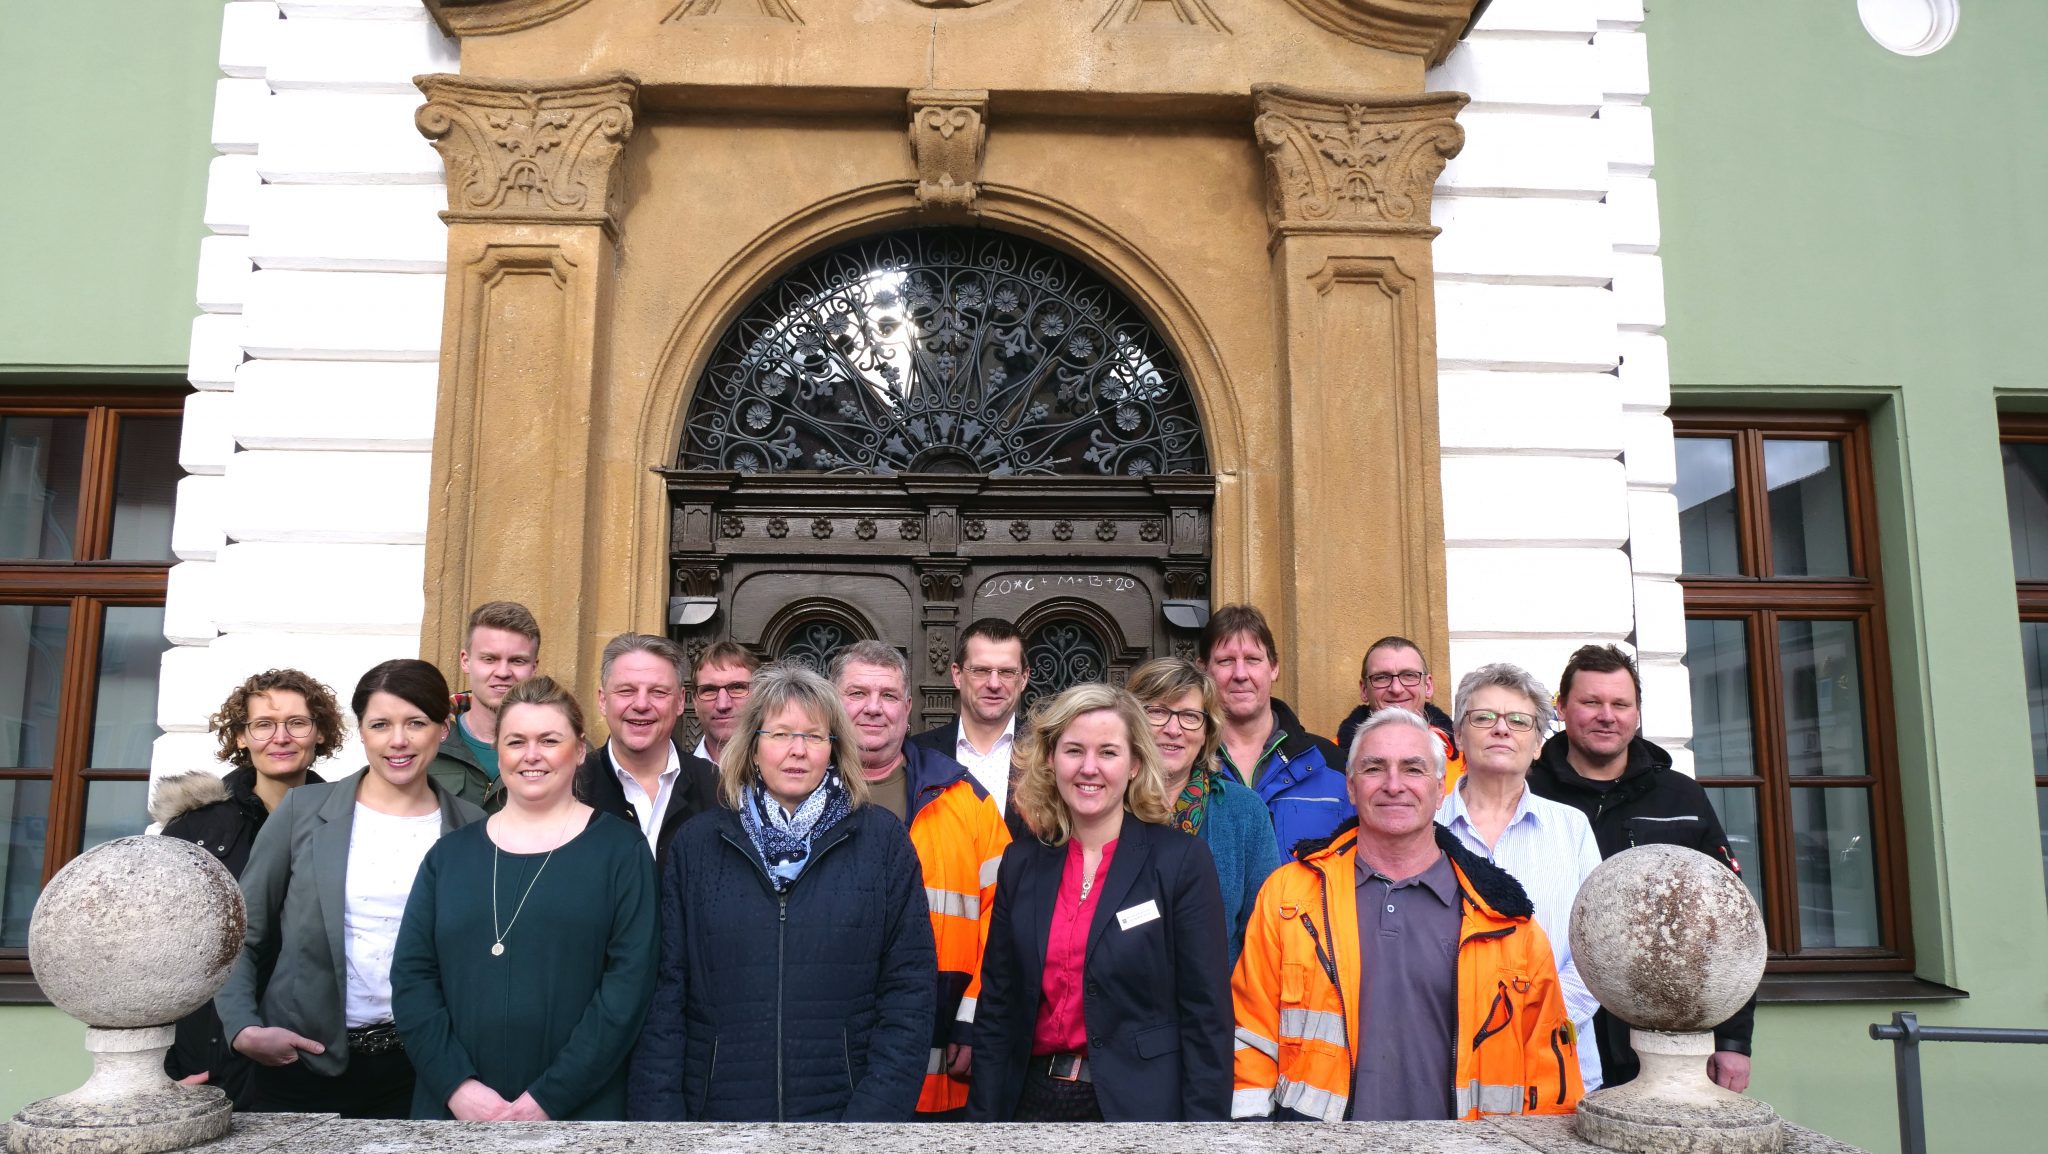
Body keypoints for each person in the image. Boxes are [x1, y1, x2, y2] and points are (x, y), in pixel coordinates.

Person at [1232, 708, 1582, 1122]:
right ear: (1350, 786)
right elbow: (1251, 1038)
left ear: (1439, 789)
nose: (1393, 785)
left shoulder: (1505, 923)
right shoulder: (1289, 897)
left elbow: (1551, 1079)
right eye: (1374, 768)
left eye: (1413, 769)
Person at [628, 664, 936, 1122]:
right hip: (717, 1119)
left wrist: (871, 1124)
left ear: (833, 750)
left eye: (814, 737)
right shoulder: (698, 844)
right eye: (780, 734)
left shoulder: (882, 842)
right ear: (752, 748)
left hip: (845, 1117)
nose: (797, 751)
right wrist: (665, 1125)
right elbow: (666, 993)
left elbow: (909, 991)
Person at [215, 659, 485, 1117]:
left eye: (415, 723)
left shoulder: (471, 827)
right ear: (361, 731)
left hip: (421, 1069)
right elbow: (241, 931)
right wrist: (243, 1028)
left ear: (443, 728)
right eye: (381, 724)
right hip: (302, 1065)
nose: (398, 741)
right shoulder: (304, 811)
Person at [392, 677, 658, 1121]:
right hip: (453, 1110)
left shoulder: (622, 851)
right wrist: (457, 1086)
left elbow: (627, 988)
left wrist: (549, 1098)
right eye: (516, 741)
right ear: (499, 752)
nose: (531, 755)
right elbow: (412, 979)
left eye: (549, 740)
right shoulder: (449, 856)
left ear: (577, 751)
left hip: (578, 1109)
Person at [967, 683, 1232, 1123]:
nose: (1089, 768)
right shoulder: (1021, 863)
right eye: (1074, 750)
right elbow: (998, 1008)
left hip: (1141, 1111)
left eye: (1108, 752)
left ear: (1133, 765)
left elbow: (1207, 1017)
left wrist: (1202, 1137)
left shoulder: (1179, 862)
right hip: (1029, 1104)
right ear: (1051, 760)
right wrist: (983, 1127)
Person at [1527, 643, 1756, 1093]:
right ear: (1561, 708)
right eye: (1591, 702)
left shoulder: (1681, 797)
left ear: (1636, 712)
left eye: (1620, 704)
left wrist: (1733, 1039)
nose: (1606, 715)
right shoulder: (1528, 793)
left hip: (1665, 1038)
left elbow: (1729, 924)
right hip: (1550, 1028)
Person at [830, 641, 1011, 1120]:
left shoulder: (964, 797)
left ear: (908, 710)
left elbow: (1006, 919)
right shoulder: (797, 792)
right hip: (825, 1069)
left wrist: (975, 1019)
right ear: (830, 702)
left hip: (940, 1074)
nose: (874, 708)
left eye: (889, 696)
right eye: (857, 693)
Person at [154, 668, 345, 1105]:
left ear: (319, 734)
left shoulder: (346, 823)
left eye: (297, 723)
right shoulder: (195, 828)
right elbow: (155, 951)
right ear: (241, 737)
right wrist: (158, 1072)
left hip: (309, 1054)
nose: (281, 737)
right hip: (208, 1053)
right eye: (263, 725)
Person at [1433, 663, 1603, 1091]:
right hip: (1445, 1061)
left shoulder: (1572, 828)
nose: (1501, 730)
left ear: (1539, 744)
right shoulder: (1424, 827)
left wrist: (1536, 1016)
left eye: (1519, 721)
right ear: (1458, 736)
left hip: (1557, 1062)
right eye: (1484, 717)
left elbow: (1600, 945)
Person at [1124, 657, 1279, 961]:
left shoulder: (1244, 812)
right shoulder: (1105, 807)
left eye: (1190, 716)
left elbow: (1263, 935)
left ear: (1208, 731)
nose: (1173, 728)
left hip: (1219, 1000)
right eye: (1157, 712)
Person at [1198, 604, 1346, 857]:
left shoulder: (1329, 761)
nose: (1240, 674)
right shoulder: (1185, 764)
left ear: (1274, 668)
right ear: (1203, 669)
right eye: (1226, 661)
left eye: (1253, 660)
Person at [575, 633, 720, 870]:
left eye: (658, 692)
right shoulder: (573, 786)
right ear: (602, 700)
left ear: (681, 701)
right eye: (626, 691)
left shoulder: (719, 788)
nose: (641, 704)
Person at [429, 601, 542, 812]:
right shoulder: (427, 742)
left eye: (517, 661)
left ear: (534, 667)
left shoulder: (563, 751)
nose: (502, 672)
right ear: (465, 661)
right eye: (489, 659)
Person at [910, 617, 1028, 813]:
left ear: (1023, 679)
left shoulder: (1048, 752)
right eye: (980, 671)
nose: (994, 684)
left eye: (1007, 672)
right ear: (957, 676)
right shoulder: (918, 753)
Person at [1334, 636, 1464, 792]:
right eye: (1381, 677)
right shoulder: (1329, 758)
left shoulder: (1467, 759)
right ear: (1363, 690)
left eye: (1409, 676)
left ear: (1428, 686)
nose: (1396, 689)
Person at [688, 640, 760, 766]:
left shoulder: (784, 780)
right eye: (709, 690)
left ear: (760, 695)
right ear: (695, 702)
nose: (723, 705)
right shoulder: (674, 780)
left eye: (737, 687)